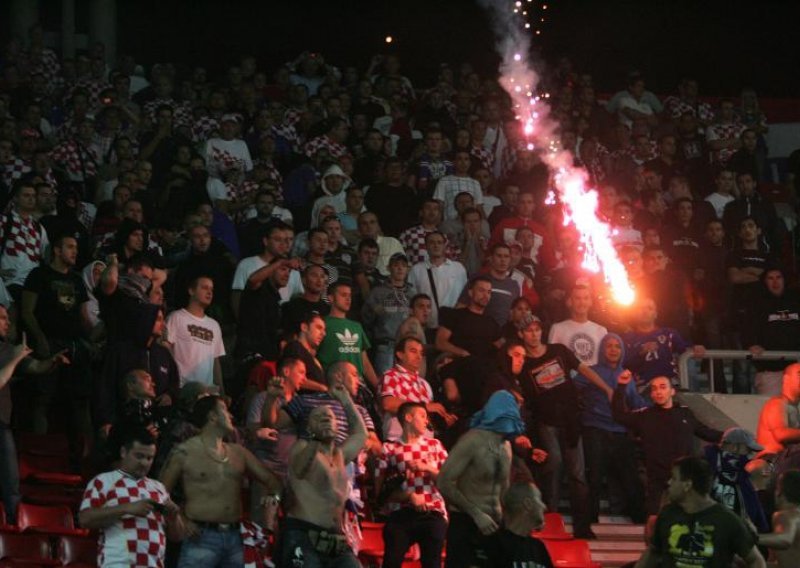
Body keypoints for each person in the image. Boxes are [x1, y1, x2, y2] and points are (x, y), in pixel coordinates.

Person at [516, 313, 609, 538]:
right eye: (529, 330)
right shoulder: (523, 363)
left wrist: (606, 388)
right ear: (521, 334)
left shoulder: (558, 350)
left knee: (578, 475)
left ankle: (582, 527)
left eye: (537, 329)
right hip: (545, 421)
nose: (534, 334)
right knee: (553, 467)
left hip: (570, 421)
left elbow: (584, 368)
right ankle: (550, 521)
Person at [160, 395, 282, 567]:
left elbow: (273, 481)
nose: (231, 415)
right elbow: (159, 491)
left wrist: (274, 498)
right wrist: (182, 520)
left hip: (236, 537)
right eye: (225, 410)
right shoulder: (185, 451)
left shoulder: (238, 452)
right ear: (212, 416)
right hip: (200, 537)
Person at [278, 380, 366, 568]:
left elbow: (360, 434)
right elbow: (300, 469)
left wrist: (346, 400)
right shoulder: (301, 447)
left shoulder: (340, 455)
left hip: (334, 537)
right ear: (309, 428)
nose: (325, 417)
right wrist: (314, 439)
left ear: (337, 425)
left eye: (329, 417)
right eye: (318, 418)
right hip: (303, 532)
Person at [613, 372, 723, 516]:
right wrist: (621, 386)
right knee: (653, 519)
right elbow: (619, 415)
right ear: (651, 394)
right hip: (656, 478)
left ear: (672, 391)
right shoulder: (645, 416)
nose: (658, 392)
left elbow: (706, 432)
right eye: (654, 389)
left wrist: (731, 435)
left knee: (688, 518)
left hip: (685, 478)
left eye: (663, 387)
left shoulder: (685, 413)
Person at [79, 423, 183, 567]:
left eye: (149, 458)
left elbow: (176, 537)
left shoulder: (159, 488)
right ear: (123, 452)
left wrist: (174, 518)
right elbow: (84, 519)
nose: (144, 463)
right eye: (139, 456)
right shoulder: (103, 481)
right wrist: (127, 508)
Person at [438, 390, 523, 568]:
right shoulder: (472, 440)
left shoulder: (506, 445)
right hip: (466, 521)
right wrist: (476, 514)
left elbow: (504, 488)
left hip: (494, 523)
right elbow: (444, 481)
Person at [0, 309, 68, 523]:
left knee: (11, 484)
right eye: (2, 317)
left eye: (8, 318)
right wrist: (15, 358)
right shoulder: (11, 352)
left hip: (1, 425)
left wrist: (52, 361)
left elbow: (37, 366)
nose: (8, 322)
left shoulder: (7, 348)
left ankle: (13, 532)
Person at [636, 456, 765, 567]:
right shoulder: (668, 514)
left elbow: (755, 560)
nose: (669, 482)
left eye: (674, 478)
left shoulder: (727, 520)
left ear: (687, 485)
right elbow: (653, 552)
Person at [575, 333, 647, 523]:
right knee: (594, 476)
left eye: (617, 346)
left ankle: (639, 519)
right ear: (601, 349)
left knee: (630, 476)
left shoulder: (627, 375)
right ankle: (589, 520)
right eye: (609, 346)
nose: (613, 350)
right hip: (595, 429)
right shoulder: (590, 371)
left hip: (621, 431)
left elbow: (636, 403)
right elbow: (571, 389)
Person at [375, 402, 449, 568]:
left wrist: (428, 468)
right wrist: (409, 496)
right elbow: (381, 492)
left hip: (433, 512)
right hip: (401, 514)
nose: (426, 421)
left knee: (433, 563)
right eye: (422, 416)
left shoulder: (435, 445)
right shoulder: (390, 449)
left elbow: (449, 481)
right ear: (408, 417)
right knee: (391, 561)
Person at [165, 275, 225, 391]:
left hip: (208, 392)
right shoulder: (176, 317)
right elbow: (166, 349)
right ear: (191, 290)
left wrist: (221, 390)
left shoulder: (214, 325)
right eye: (204, 288)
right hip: (184, 389)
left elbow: (215, 361)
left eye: (211, 289)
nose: (209, 292)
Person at [316, 281, 378, 390]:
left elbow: (365, 362)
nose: (348, 299)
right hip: (332, 383)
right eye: (343, 295)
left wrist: (378, 386)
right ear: (330, 298)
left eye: (350, 296)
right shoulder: (322, 323)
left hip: (357, 384)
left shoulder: (356, 326)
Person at [485, 482, 553, 568]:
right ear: (528, 504)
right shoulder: (494, 543)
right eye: (540, 499)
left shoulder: (539, 547)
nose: (544, 506)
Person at [408, 231, 467, 329]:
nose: (436, 245)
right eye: (432, 242)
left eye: (439, 242)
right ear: (426, 246)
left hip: (453, 326)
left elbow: (465, 297)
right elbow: (412, 297)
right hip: (427, 326)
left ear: (445, 246)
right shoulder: (417, 269)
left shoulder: (458, 268)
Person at [436, 276, 502, 361]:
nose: (486, 296)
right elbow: (440, 343)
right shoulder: (454, 315)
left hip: (485, 366)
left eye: (489, 292)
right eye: (481, 291)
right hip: (460, 362)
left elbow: (502, 346)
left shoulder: (491, 322)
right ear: (471, 293)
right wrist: (462, 353)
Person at [548, 284, 608, 366]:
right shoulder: (557, 329)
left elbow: (606, 362)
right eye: (577, 298)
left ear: (591, 302)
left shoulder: (601, 330)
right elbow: (552, 361)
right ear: (569, 302)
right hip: (571, 378)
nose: (582, 302)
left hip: (595, 377)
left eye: (586, 298)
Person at [756, 363, 800, 468]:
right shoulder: (776, 404)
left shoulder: (795, 407)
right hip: (771, 459)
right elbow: (781, 434)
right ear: (786, 379)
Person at [754, 470, 800, 567]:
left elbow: (785, 539)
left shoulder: (785, 515)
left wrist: (748, 537)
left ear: (779, 491)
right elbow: (784, 564)